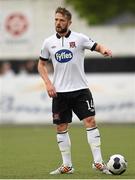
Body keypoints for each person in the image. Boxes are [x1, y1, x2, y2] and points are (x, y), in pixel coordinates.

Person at [38, 7, 112, 175]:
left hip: (80, 90)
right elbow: (41, 64)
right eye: (56, 20)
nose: (58, 23)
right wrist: (48, 83)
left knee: (90, 121)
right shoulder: (48, 42)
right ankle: (67, 165)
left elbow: (96, 45)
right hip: (60, 93)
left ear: (69, 22)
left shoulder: (79, 38)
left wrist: (104, 50)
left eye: (62, 20)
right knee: (61, 127)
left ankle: (98, 162)